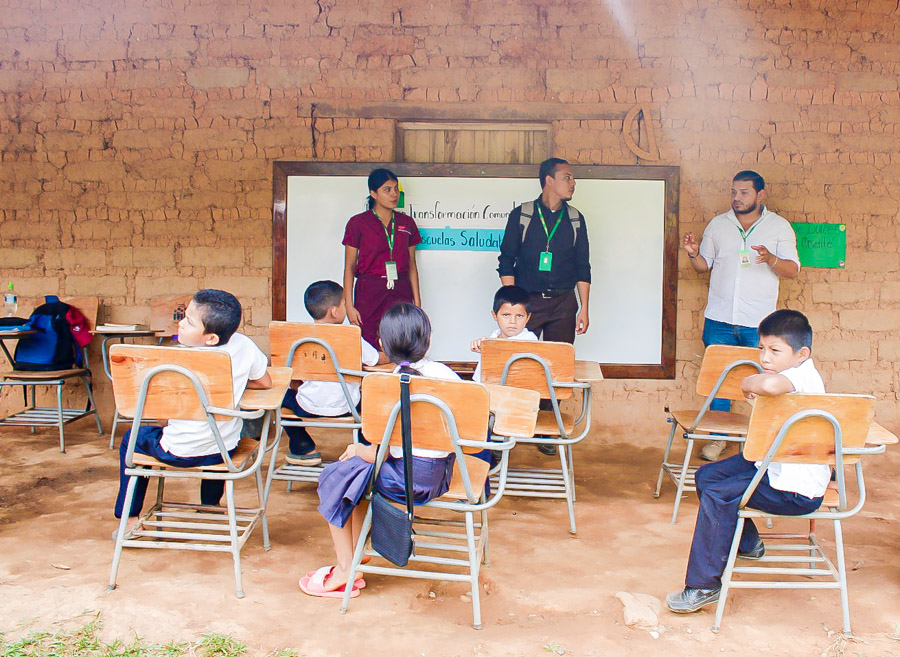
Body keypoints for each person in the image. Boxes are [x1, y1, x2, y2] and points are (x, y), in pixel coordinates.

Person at [666, 309, 826, 613]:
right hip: (772, 467)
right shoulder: (790, 373)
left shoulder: (800, 375)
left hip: (793, 490)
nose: (765, 357)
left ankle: (703, 585)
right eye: (762, 348)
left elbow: (767, 386)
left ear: (802, 353)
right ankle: (749, 543)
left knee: (717, 494)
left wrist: (750, 382)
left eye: (775, 350)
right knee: (707, 476)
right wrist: (762, 381)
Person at [300, 303, 459, 597]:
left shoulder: (384, 385)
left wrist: (358, 449)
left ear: (382, 344)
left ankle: (346, 568)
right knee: (354, 475)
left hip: (405, 481)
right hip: (441, 476)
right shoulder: (448, 377)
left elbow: (382, 453)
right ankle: (356, 554)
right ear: (429, 339)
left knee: (336, 476)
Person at [113, 290, 271, 534]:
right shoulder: (244, 345)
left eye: (188, 321)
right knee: (215, 432)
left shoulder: (174, 359)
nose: (180, 323)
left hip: (178, 452)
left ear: (210, 339)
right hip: (224, 451)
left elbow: (161, 415)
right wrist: (233, 383)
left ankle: (129, 518)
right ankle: (209, 504)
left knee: (132, 440)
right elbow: (265, 382)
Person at [683, 170, 800, 462]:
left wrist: (771, 259)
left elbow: (793, 269)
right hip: (719, 318)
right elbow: (702, 267)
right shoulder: (718, 225)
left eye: (744, 192)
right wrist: (693, 253)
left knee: (765, 382)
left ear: (761, 195)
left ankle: (763, 441)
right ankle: (718, 440)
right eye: (734, 192)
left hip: (759, 323)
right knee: (719, 381)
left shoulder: (778, 227)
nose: (737, 198)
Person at [280, 280, 384, 466]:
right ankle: (364, 444)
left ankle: (302, 446)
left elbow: (290, 374)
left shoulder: (299, 336)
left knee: (279, 397)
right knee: (372, 402)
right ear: (335, 311)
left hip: (306, 406)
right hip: (348, 406)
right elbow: (374, 360)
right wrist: (390, 354)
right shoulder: (350, 335)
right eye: (345, 304)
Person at [497, 157, 591, 344]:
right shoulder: (522, 215)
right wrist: (512, 305)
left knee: (557, 364)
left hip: (564, 303)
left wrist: (584, 309)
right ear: (549, 180)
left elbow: (582, 266)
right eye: (567, 178)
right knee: (520, 359)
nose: (573, 183)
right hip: (528, 302)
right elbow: (506, 261)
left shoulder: (575, 219)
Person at [343, 168, 422, 350]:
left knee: (401, 340)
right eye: (387, 189)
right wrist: (349, 305)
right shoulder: (358, 223)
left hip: (401, 289)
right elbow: (349, 267)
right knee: (369, 342)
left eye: (396, 189)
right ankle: (371, 379)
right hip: (369, 291)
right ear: (373, 193)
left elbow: (411, 264)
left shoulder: (406, 223)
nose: (394, 194)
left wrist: (417, 302)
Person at [470, 284, 538, 383]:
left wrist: (491, 349)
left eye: (519, 316)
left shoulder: (530, 339)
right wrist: (483, 348)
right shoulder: (494, 336)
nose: (513, 321)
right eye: (506, 315)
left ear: (527, 318)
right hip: (491, 389)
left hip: (519, 393)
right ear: (495, 315)